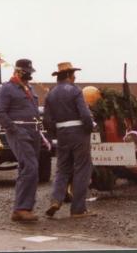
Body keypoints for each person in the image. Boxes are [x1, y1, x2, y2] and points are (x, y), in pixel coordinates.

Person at [43, 62, 93, 218]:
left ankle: (56, 200)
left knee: (62, 169)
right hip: (79, 133)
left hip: (62, 134)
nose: (75, 76)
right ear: (69, 75)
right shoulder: (75, 90)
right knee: (82, 169)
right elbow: (85, 114)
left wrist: (55, 135)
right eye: (73, 74)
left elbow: (47, 120)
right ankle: (78, 209)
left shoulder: (50, 94)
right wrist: (89, 128)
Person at [0, 59, 41, 222]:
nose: (31, 75)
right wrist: (15, 130)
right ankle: (22, 208)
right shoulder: (7, 89)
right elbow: (0, 114)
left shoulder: (30, 88)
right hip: (19, 133)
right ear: (19, 71)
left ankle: (22, 209)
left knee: (27, 169)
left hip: (33, 133)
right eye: (28, 72)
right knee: (31, 167)